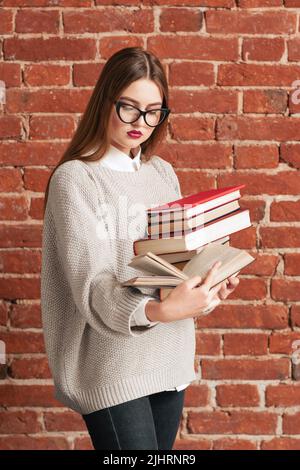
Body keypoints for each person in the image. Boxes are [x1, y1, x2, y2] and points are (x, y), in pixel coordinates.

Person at [41, 46, 239, 450]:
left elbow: (172, 264)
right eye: (129, 107)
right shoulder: (76, 179)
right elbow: (93, 286)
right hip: (113, 363)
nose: (141, 123)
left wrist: (206, 283)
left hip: (170, 354)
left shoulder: (162, 172)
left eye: (153, 111)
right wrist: (160, 310)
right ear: (104, 101)